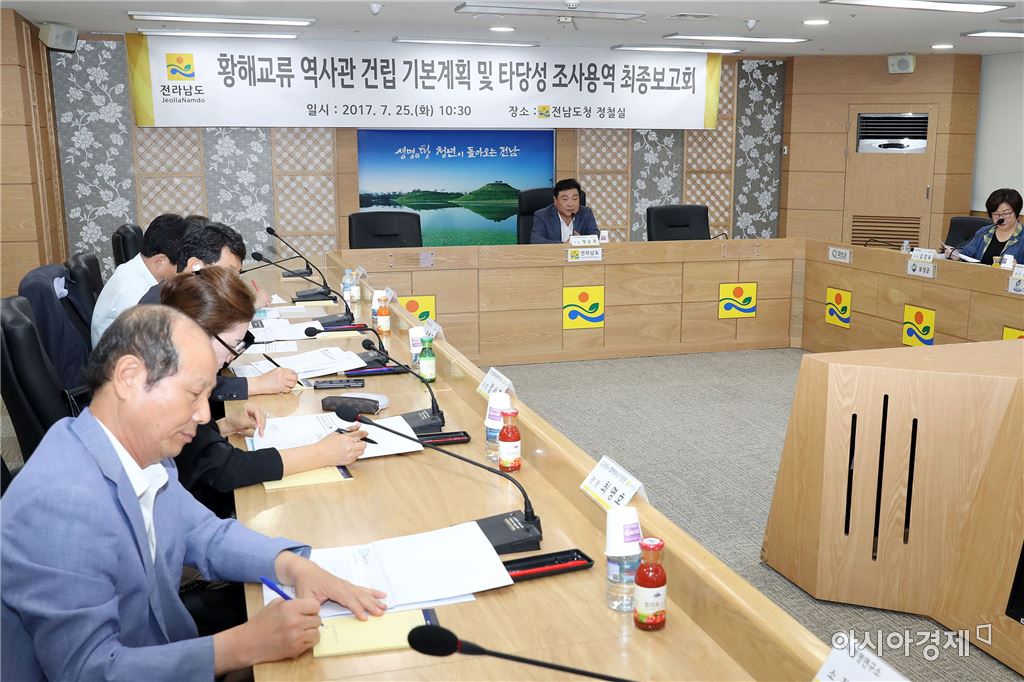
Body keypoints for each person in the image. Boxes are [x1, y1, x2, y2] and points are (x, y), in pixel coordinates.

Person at [1, 305, 386, 680]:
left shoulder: (144, 450)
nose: (204, 415)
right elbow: (87, 669)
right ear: (129, 377)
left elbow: (204, 533)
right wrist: (241, 646)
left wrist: (293, 566)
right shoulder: (62, 503)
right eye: (193, 393)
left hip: (163, 646)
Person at [160, 267, 369, 518]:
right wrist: (321, 453)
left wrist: (225, 425)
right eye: (234, 344)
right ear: (199, 334)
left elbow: (194, 451)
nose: (231, 357)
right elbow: (225, 470)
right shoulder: (171, 384)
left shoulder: (171, 363)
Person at [141, 222, 292, 400]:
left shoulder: (196, 298)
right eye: (228, 272)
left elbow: (221, 361)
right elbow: (188, 383)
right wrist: (256, 384)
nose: (233, 281)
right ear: (195, 265)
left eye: (237, 274)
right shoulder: (161, 309)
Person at [91, 213, 187, 345]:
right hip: (120, 354)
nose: (181, 270)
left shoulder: (137, 269)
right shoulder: (136, 291)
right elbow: (150, 343)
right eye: (180, 265)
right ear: (160, 261)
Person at [951, 188, 1024, 265]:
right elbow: (966, 252)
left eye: (1006, 214)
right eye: (996, 214)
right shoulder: (984, 232)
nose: (1001, 218)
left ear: (1016, 212)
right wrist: (955, 253)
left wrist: (1018, 267)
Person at [530, 178, 599, 244]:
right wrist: (564, 245)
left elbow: (595, 236)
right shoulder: (542, 215)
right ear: (555, 200)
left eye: (574, 199)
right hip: (553, 252)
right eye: (565, 199)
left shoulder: (586, 213)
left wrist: (580, 241)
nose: (570, 204)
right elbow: (536, 240)